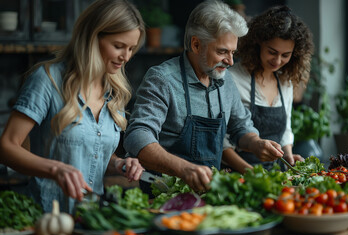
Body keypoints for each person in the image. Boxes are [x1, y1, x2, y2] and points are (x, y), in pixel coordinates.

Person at [123, 0, 284, 195]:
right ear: (196, 44)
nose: (230, 61)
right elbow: (137, 137)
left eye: (232, 52)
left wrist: (256, 143)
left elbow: (241, 126)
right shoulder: (162, 80)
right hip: (165, 196)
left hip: (210, 194)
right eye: (222, 51)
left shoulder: (226, 81)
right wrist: (183, 169)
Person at [0, 0, 145, 214]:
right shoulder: (48, 80)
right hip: (46, 218)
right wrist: (56, 169)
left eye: (131, 48)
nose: (126, 57)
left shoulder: (115, 92)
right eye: (118, 46)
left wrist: (118, 164)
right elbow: (6, 147)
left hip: (88, 220)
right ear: (92, 38)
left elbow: (90, 153)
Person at [223, 5, 314, 171]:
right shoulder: (232, 78)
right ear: (258, 43)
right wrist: (250, 173)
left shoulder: (285, 81)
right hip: (237, 173)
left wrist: (287, 156)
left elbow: (286, 130)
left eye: (285, 55)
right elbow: (221, 142)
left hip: (274, 173)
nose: (278, 61)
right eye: (272, 52)